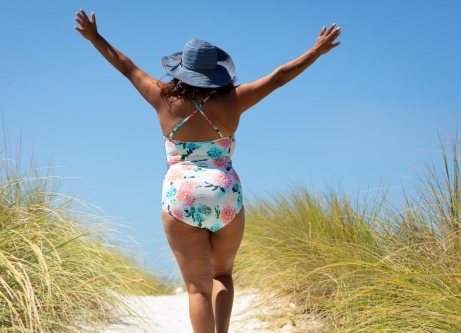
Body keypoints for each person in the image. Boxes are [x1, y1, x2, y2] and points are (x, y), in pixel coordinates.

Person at [74, 9, 341, 333]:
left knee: (197, 288)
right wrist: (316, 51)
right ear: (216, 72)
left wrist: (95, 38)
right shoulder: (234, 100)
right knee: (222, 276)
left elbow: (126, 66)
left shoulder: (162, 98)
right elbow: (279, 76)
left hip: (181, 197)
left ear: (180, 70)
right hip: (225, 194)